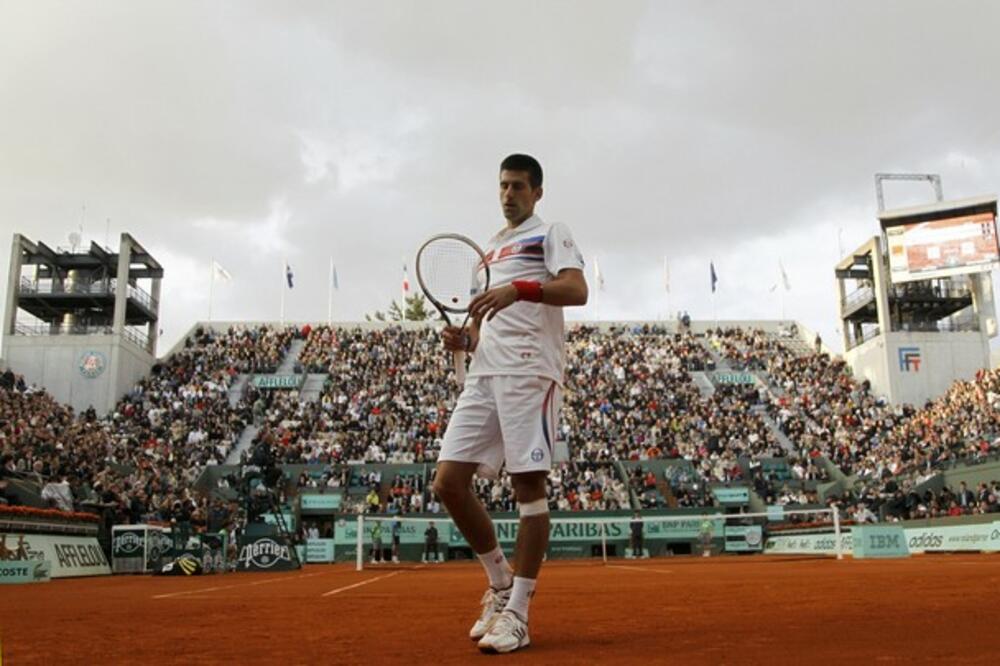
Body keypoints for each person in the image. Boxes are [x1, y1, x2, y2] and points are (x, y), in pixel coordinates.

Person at [433, 154, 588, 654]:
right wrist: (464, 340)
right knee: (448, 483)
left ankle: (519, 614)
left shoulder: (550, 232)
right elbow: (483, 326)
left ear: (537, 192)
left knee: (528, 486)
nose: (508, 194)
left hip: (529, 372)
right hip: (484, 375)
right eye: (502, 185)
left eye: (518, 186)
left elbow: (576, 289)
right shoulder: (487, 254)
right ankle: (500, 585)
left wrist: (518, 290)